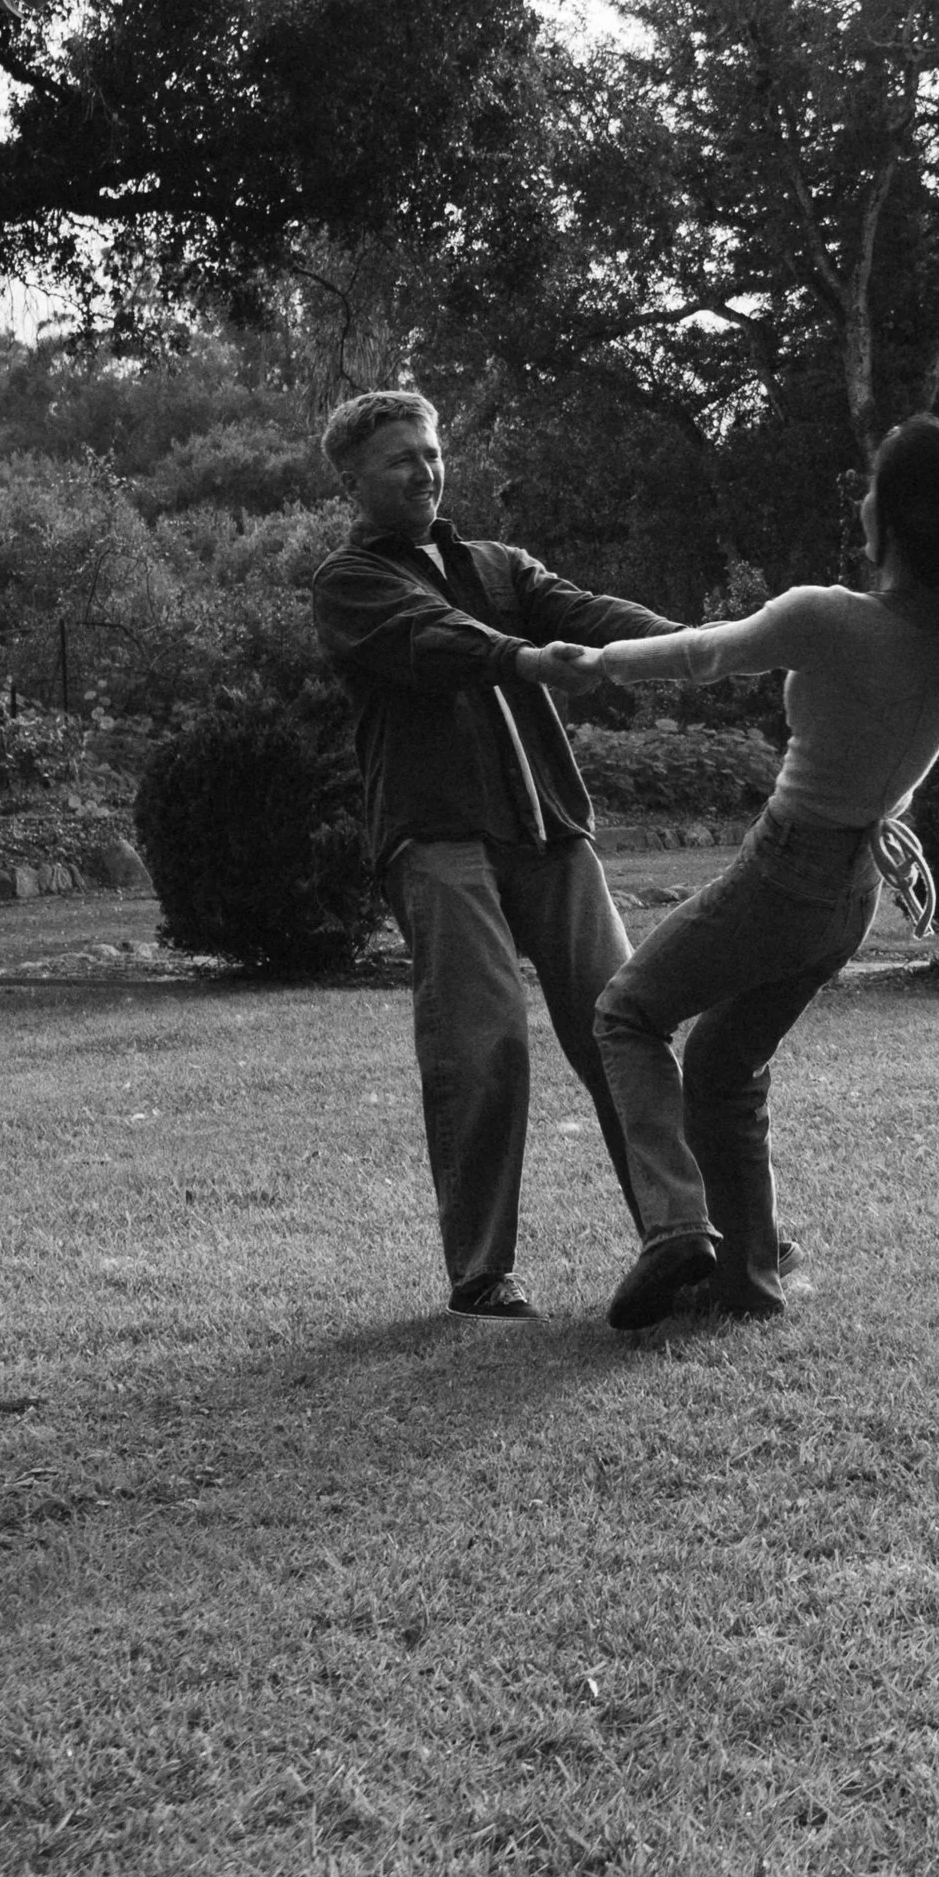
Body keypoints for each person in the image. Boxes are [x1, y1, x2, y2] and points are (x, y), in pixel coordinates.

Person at [542, 412, 939, 1331]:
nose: (861, 497)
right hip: (850, 893)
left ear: (902, 517)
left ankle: (678, 1231)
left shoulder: (829, 619)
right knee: (724, 1066)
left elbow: (706, 651)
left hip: (788, 869)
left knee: (625, 1012)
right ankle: (750, 1282)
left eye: (873, 482)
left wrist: (594, 661)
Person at [310, 387, 674, 1320]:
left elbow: (589, 612)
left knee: (622, 1023)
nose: (424, 471)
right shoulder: (350, 582)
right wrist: (523, 659)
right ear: (353, 480)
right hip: (436, 835)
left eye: (430, 453)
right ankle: (481, 1270)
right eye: (401, 459)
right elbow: (433, 642)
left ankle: (686, 1234)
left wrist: (707, 644)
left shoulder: (500, 564)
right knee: (483, 1044)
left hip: (550, 826)